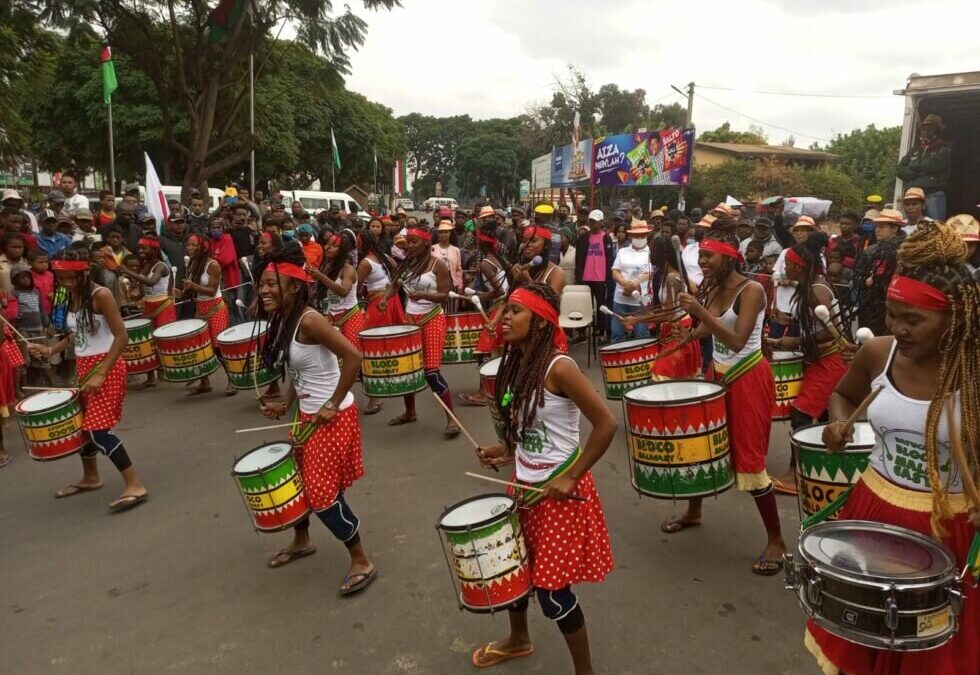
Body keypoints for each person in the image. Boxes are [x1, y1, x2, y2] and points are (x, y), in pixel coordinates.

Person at [805, 220, 980, 675]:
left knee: (930, 655)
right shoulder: (877, 353)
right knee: (860, 640)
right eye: (891, 314)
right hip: (873, 512)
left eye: (914, 319)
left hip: (951, 531)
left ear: (955, 316)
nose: (898, 328)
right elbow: (842, 394)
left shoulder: (975, 373)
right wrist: (839, 423)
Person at [472, 283, 616, 672]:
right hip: (524, 482)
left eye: (514, 312)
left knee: (552, 593)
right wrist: (505, 449)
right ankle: (519, 639)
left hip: (558, 492)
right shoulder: (517, 361)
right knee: (515, 568)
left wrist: (572, 477)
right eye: (504, 311)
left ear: (539, 322)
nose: (504, 318)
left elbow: (606, 425)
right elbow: (524, 426)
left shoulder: (559, 367)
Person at [255, 248, 377, 593]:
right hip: (306, 415)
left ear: (293, 287)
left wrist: (332, 403)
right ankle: (302, 539)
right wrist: (286, 403)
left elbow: (353, 356)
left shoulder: (310, 320)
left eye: (271, 284)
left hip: (332, 418)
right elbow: (300, 370)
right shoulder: (285, 317)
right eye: (261, 284)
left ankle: (360, 559)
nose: (263, 290)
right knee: (297, 480)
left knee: (323, 494)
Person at [668, 229, 787, 575]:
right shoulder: (716, 287)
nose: (703, 262)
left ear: (729, 257)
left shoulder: (752, 291)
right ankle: (695, 511)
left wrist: (699, 314)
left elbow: (736, 339)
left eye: (709, 256)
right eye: (701, 256)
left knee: (750, 460)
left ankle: (776, 539)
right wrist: (689, 334)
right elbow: (712, 328)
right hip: (717, 373)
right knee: (701, 446)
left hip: (748, 376)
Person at [29, 251, 148, 512]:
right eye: (60, 278)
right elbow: (75, 335)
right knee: (82, 426)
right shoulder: (65, 295)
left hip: (108, 365)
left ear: (83, 273)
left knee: (97, 429)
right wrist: (50, 350)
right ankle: (91, 477)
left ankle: (134, 483)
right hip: (85, 367)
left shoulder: (100, 295)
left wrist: (102, 372)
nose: (65, 283)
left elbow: (121, 336)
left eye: (70, 278)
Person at [767, 232, 848, 494]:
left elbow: (831, 330)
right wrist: (786, 321)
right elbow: (813, 322)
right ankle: (824, 470)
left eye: (788, 263)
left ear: (798, 266)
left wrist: (795, 342)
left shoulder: (815, 291)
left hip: (830, 360)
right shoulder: (810, 286)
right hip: (821, 360)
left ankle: (794, 475)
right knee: (823, 417)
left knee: (801, 413)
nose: (785, 267)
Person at [382, 227, 460, 437]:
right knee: (409, 368)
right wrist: (384, 299)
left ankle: (452, 419)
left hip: (432, 319)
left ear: (426, 243)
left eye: (414, 242)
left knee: (431, 372)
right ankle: (410, 412)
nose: (409, 245)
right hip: (410, 320)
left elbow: (444, 295)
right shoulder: (407, 262)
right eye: (408, 241)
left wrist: (424, 295)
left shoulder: (438, 265)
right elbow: (393, 285)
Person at [623, 235, 702, 379]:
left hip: (679, 330)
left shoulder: (672, 278)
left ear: (663, 254)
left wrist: (636, 320)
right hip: (672, 328)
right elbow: (667, 310)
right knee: (674, 382)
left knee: (662, 374)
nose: (651, 255)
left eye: (654, 251)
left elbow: (669, 314)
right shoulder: (667, 275)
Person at [458, 218, 510, 406]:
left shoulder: (486, 264)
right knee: (501, 350)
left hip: (500, 307)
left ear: (481, 242)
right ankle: (499, 389)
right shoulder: (496, 258)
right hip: (504, 307)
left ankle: (483, 392)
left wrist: (478, 294)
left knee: (483, 350)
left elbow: (501, 292)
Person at [181, 234, 231, 396]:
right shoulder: (193, 264)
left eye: (193, 245)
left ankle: (233, 381)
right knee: (200, 346)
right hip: (201, 308)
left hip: (215, 308)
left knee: (219, 349)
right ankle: (205, 382)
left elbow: (211, 291)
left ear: (203, 248)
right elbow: (192, 291)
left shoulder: (213, 265)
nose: (189, 248)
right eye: (188, 245)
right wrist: (180, 293)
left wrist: (193, 285)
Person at [854, 209, 906, 337]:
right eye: (877, 226)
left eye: (882, 227)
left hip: (894, 308)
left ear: (895, 228)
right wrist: (864, 281)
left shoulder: (906, 252)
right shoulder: (870, 251)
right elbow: (856, 275)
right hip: (869, 307)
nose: (877, 230)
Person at [310, 232, 366, 350]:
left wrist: (321, 277)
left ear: (342, 251)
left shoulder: (348, 270)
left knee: (352, 351)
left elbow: (343, 291)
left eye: (334, 246)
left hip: (350, 316)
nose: (328, 248)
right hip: (331, 316)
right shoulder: (326, 266)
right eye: (327, 244)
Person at [770, 215, 820, 339]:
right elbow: (775, 276)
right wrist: (774, 305)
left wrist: (792, 282)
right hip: (781, 307)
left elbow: (815, 283)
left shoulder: (818, 256)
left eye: (803, 230)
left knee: (796, 345)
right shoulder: (785, 252)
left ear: (811, 233)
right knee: (774, 344)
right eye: (796, 230)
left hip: (802, 309)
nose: (799, 233)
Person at [6, 262, 54, 388]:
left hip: (39, 329)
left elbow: (42, 310)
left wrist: (48, 325)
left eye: (28, 276)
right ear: (14, 280)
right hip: (22, 331)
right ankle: (24, 386)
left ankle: (51, 384)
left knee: (43, 356)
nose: (26, 279)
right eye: (22, 277)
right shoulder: (13, 293)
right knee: (24, 360)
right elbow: (11, 314)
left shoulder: (36, 292)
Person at [896, 113, 951, 220]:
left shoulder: (945, 148)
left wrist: (912, 166)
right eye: (924, 128)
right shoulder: (915, 149)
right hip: (913, 197)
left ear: (938, 130)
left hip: (933, 195)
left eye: (930, 128)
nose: (926, 131)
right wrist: (919, 171)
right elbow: (899, 169)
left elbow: (933, 165)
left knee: (935, 229)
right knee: (912, 228)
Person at [609, 220, 653, 343]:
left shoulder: (651, 252)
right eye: (636, 235)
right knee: (617, 333)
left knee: (641, 335)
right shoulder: (623, 251)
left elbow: (650, 273)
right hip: (620, 298)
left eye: (643, 235)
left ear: (647, 236)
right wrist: (625, 284)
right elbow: (615, 271)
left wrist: (634, 285)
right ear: (631, 236)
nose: (639, 237)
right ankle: (618, 360)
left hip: (640, 301)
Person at [120, 234, 175, 328]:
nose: (140, 251)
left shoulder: (160, 266)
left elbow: (151, 282)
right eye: (139, 248)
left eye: (144, 248)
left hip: (163, 307)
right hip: (148, 307)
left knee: (163, 337)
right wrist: (134, 296)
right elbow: (143, 292)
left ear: (154, 249)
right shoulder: (145, 266)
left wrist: (127, 271)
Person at [574, 209, 614, 338]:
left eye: (595, 221)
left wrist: (608, 277)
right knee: (584, 305)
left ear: (601, 222)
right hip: (585, 277)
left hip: (601, 278)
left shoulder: (606, 238)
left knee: (601, 305)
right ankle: (582, 331)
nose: (592, 224)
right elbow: (578, 258)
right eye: (591, 221)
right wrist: (578, 276)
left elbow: (609, 259)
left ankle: (600, 329)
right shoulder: (583, 238)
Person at [510, 224, 565, 296]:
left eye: (533, 240)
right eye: (524, 241)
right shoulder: (520, 268)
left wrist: (528, 282)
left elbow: (550, 305)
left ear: (546, 245)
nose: (527, 244)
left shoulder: (556, 273)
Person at [431, 219, 463, 293]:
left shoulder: (456, 250)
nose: (443, 234)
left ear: (450, 233)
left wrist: (460, 285)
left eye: (446, 232)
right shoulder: (432, 249)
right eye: (441, 232)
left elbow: (458, 269)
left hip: (452, 281)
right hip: (436, 281)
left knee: (452, 302)